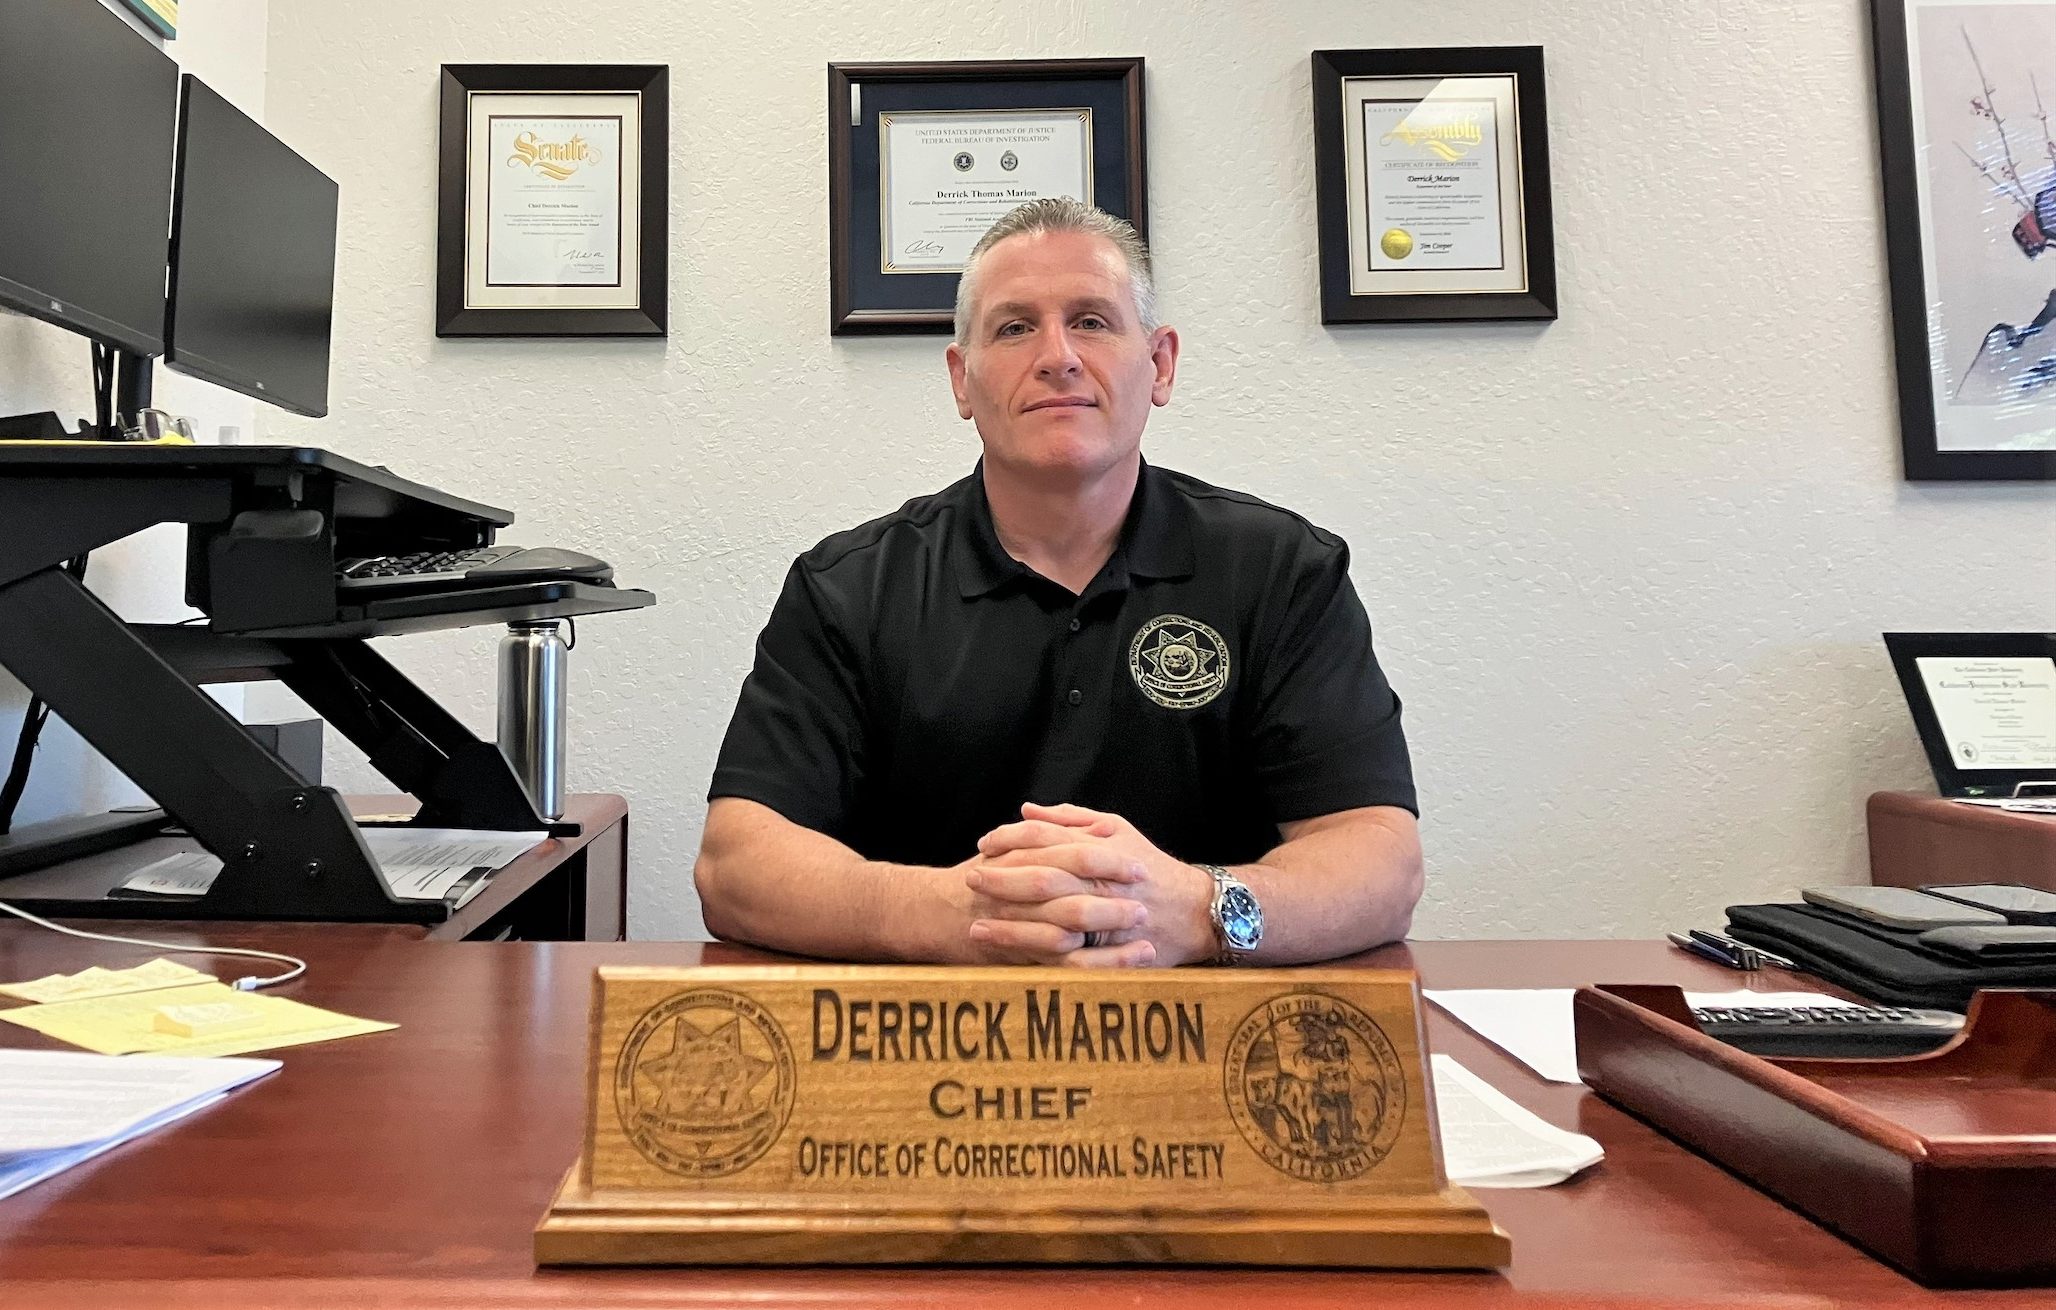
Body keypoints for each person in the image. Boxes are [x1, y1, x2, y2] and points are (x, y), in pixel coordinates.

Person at [694, 198, 1421, 968]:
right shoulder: (848, 588)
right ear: (962, 380)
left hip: (1208, 1028)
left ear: (1161, 364)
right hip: (927, 1030)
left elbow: (1381, 861)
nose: (1058, 356)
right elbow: (735, 865)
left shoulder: (1281, 572)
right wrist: (955, 915)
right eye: (1014, 328)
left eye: (1092, 321)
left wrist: (1198, 909)